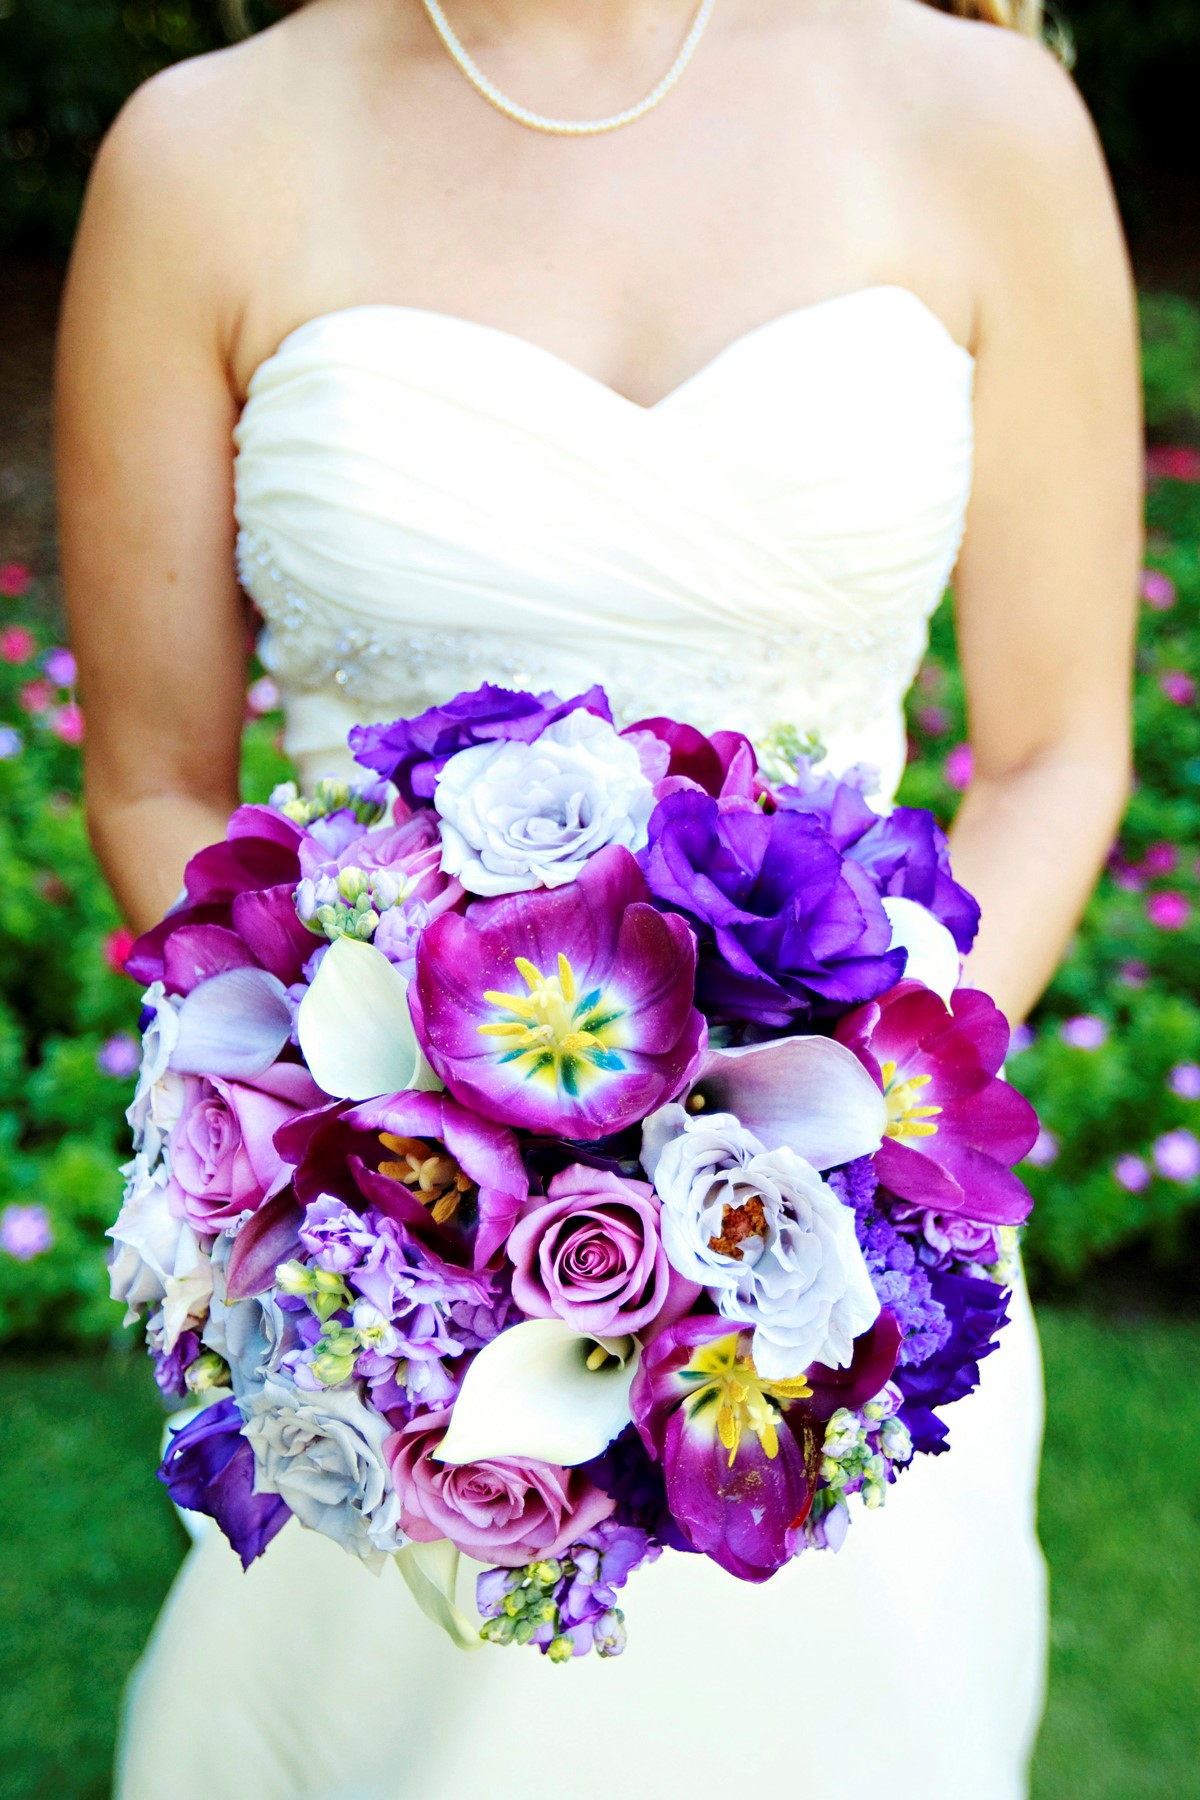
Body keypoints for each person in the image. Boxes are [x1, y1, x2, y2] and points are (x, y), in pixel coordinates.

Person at [56, 0, 1140, 1795]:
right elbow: (155, 779)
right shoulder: (204, 153)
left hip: (834, 1274)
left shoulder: (980, 118)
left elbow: (1050, 752)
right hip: (388, 1246)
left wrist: (847, 1150)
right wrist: (382, 1161)